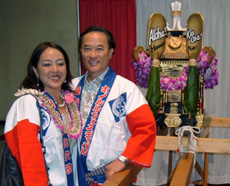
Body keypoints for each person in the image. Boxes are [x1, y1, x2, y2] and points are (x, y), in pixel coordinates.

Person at [72, 26, 157, 186]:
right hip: (75, 176)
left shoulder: (125, 89)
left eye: (99, 49)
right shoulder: (70, 88)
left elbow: (146, 128)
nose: (92, 55)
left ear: (111, 52)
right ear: (80, 52)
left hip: (110, 177)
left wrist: (124, 159)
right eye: (87, 49)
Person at [4, 41, 82, 186]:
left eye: (60, 63)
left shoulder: (71, 104)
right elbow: (29, 160)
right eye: (47, 64)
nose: (55, 69)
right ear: (35, 70)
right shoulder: (28, 103)